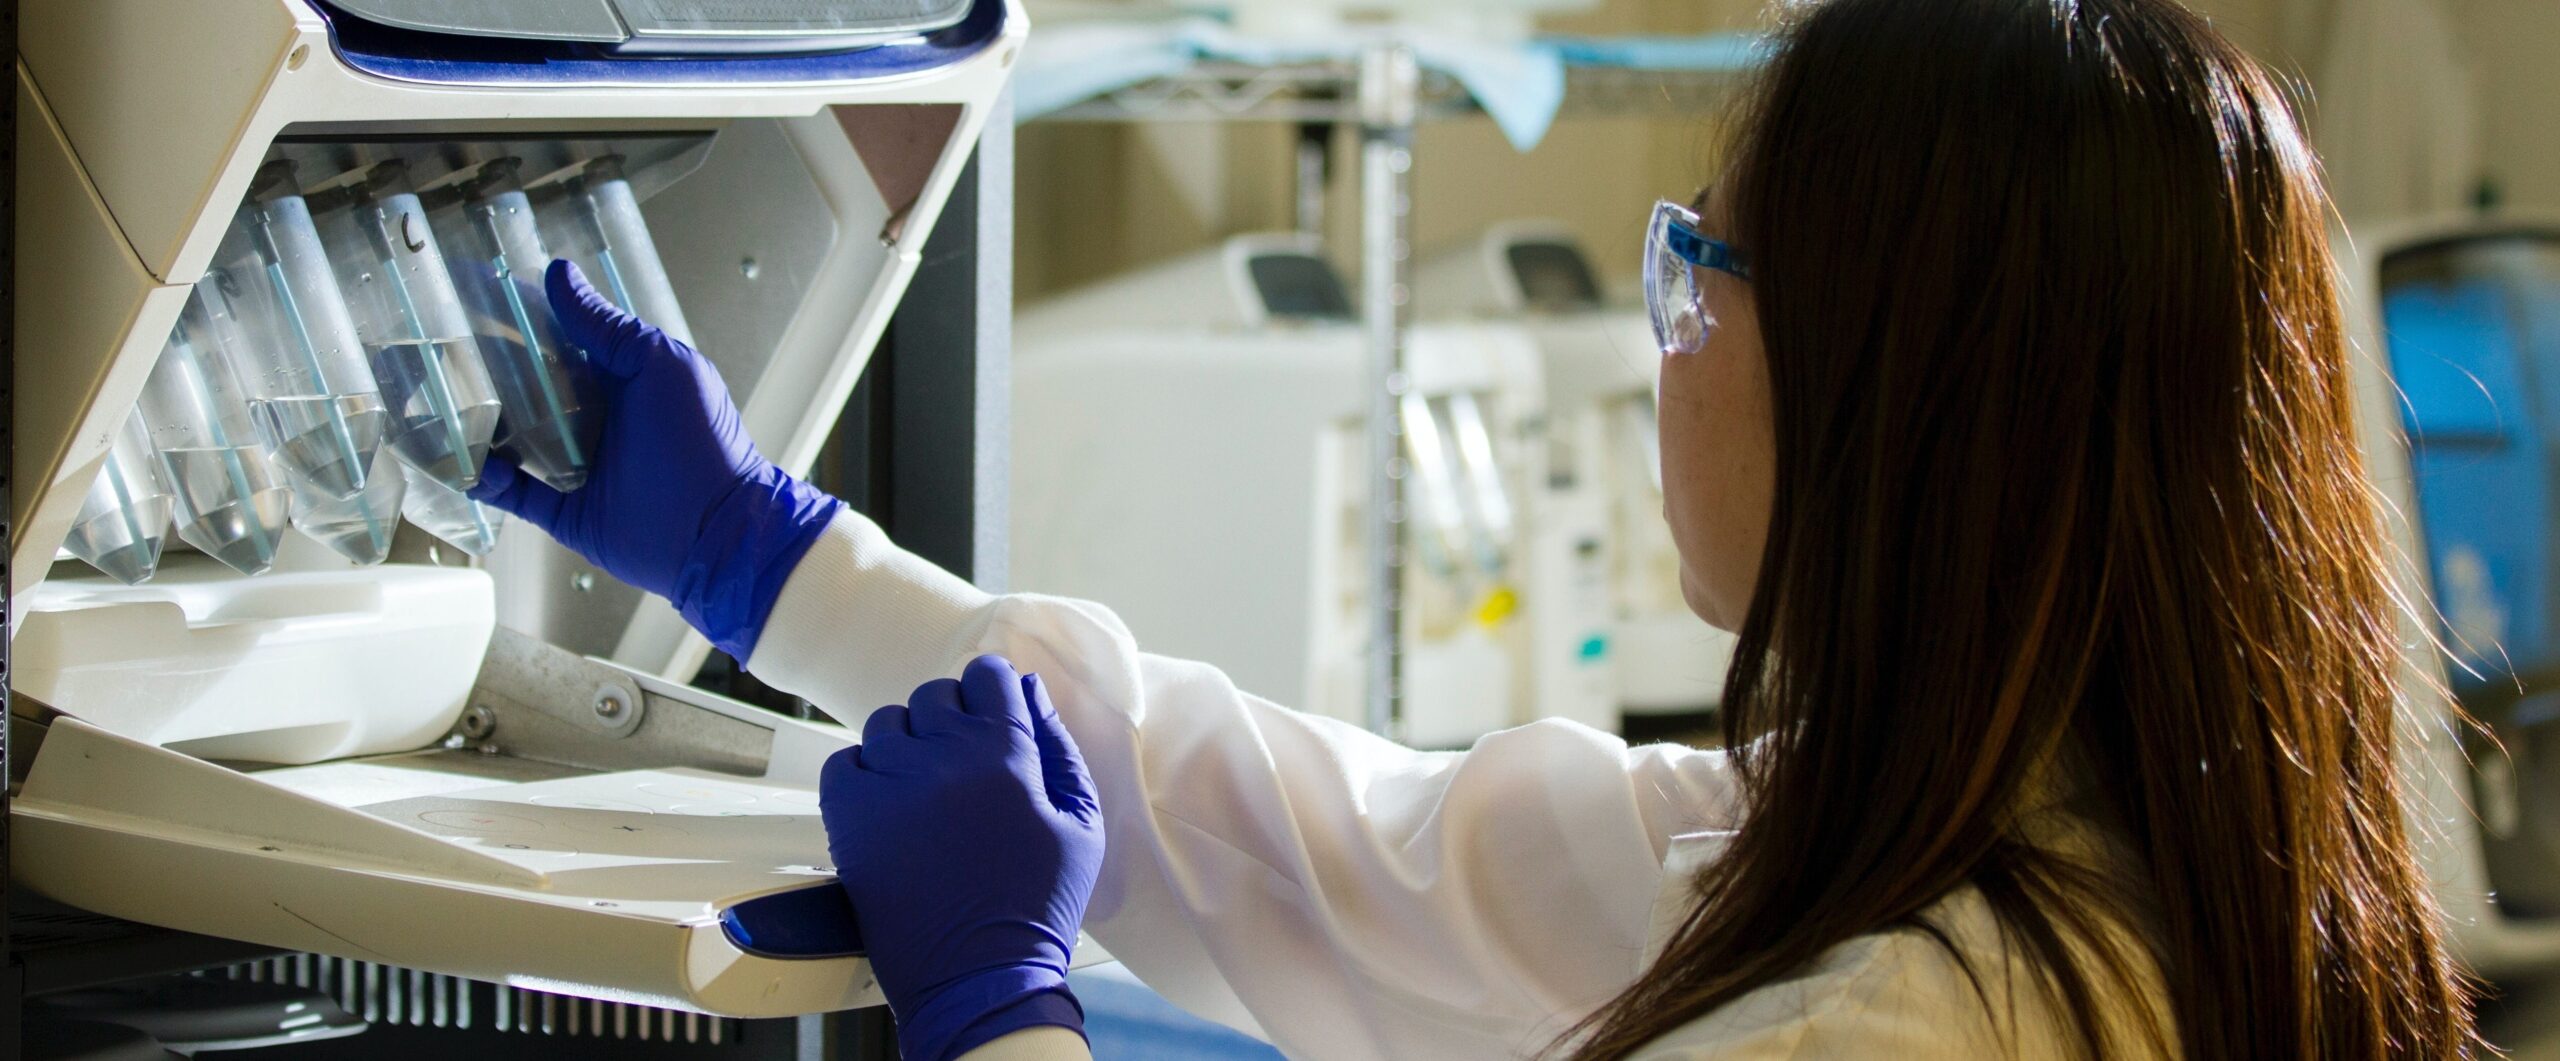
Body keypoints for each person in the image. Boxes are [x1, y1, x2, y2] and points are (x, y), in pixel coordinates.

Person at [470, 0, 2481, 1055]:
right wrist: (775, 562)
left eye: (1697, 270)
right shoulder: (2038, 859)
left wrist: (1003, 1016)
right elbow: (1320, 850)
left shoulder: (1892, 1030)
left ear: (1895, 399)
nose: (1666, 340)